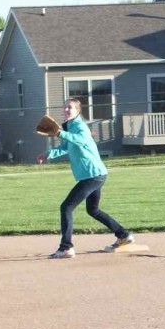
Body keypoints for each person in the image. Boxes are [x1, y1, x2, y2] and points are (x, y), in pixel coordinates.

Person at [37, 98, 134, 259]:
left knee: (66, 207)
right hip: (96, 174)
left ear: (77, 111)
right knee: (93, 210)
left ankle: (66, 247)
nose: (66, 109)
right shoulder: (71, 126)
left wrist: (60, 132)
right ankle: (123, 234)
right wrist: (48, 154)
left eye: (70, 107)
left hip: (92, 175)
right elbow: (66, 146)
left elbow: (81, 140)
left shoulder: (80, 126)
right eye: (65, 107)